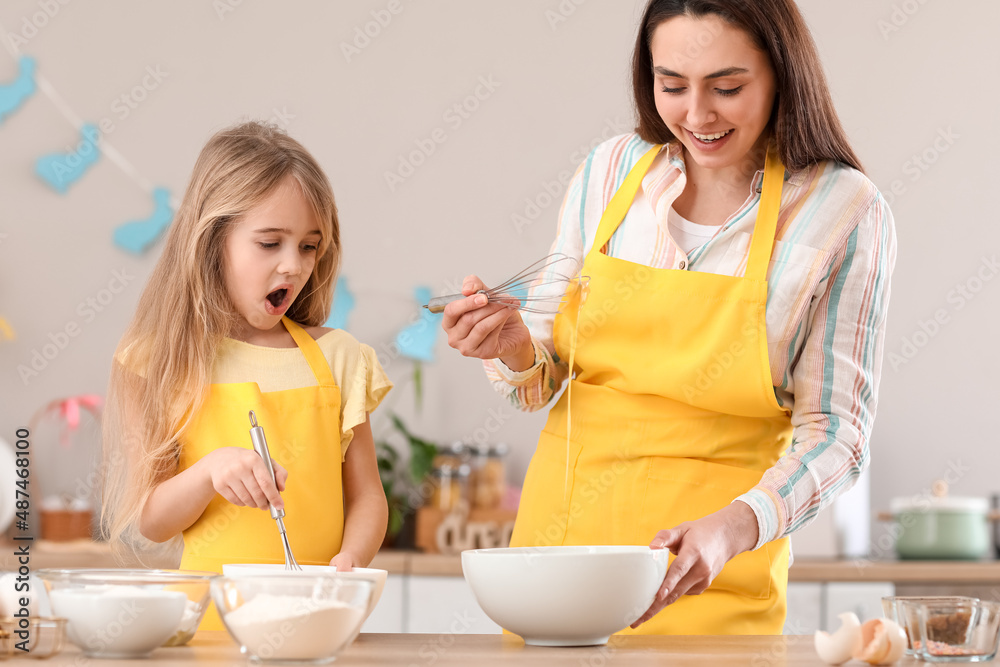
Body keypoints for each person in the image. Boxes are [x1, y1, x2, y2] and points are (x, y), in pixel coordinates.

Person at [442, 0, 895, 635]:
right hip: (562, 569)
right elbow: (538, 385)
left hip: (713, 573)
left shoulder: (842, 210)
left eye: (727, 87)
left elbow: (837, 433)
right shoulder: (611, 171)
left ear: (782, 73)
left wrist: (734, 527)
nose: (697, 114)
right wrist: (513, 346)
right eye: (672, 85)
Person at [100, 121, 392, 630]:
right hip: (210, 629)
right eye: (269, 243)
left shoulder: (340, 357)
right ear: (212, 241)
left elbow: (367, 495)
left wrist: (351, 561)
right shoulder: (156, 361)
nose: (293, 266)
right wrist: (211, 470)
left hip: (318, 621)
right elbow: (151, 518)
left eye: (308, 246)